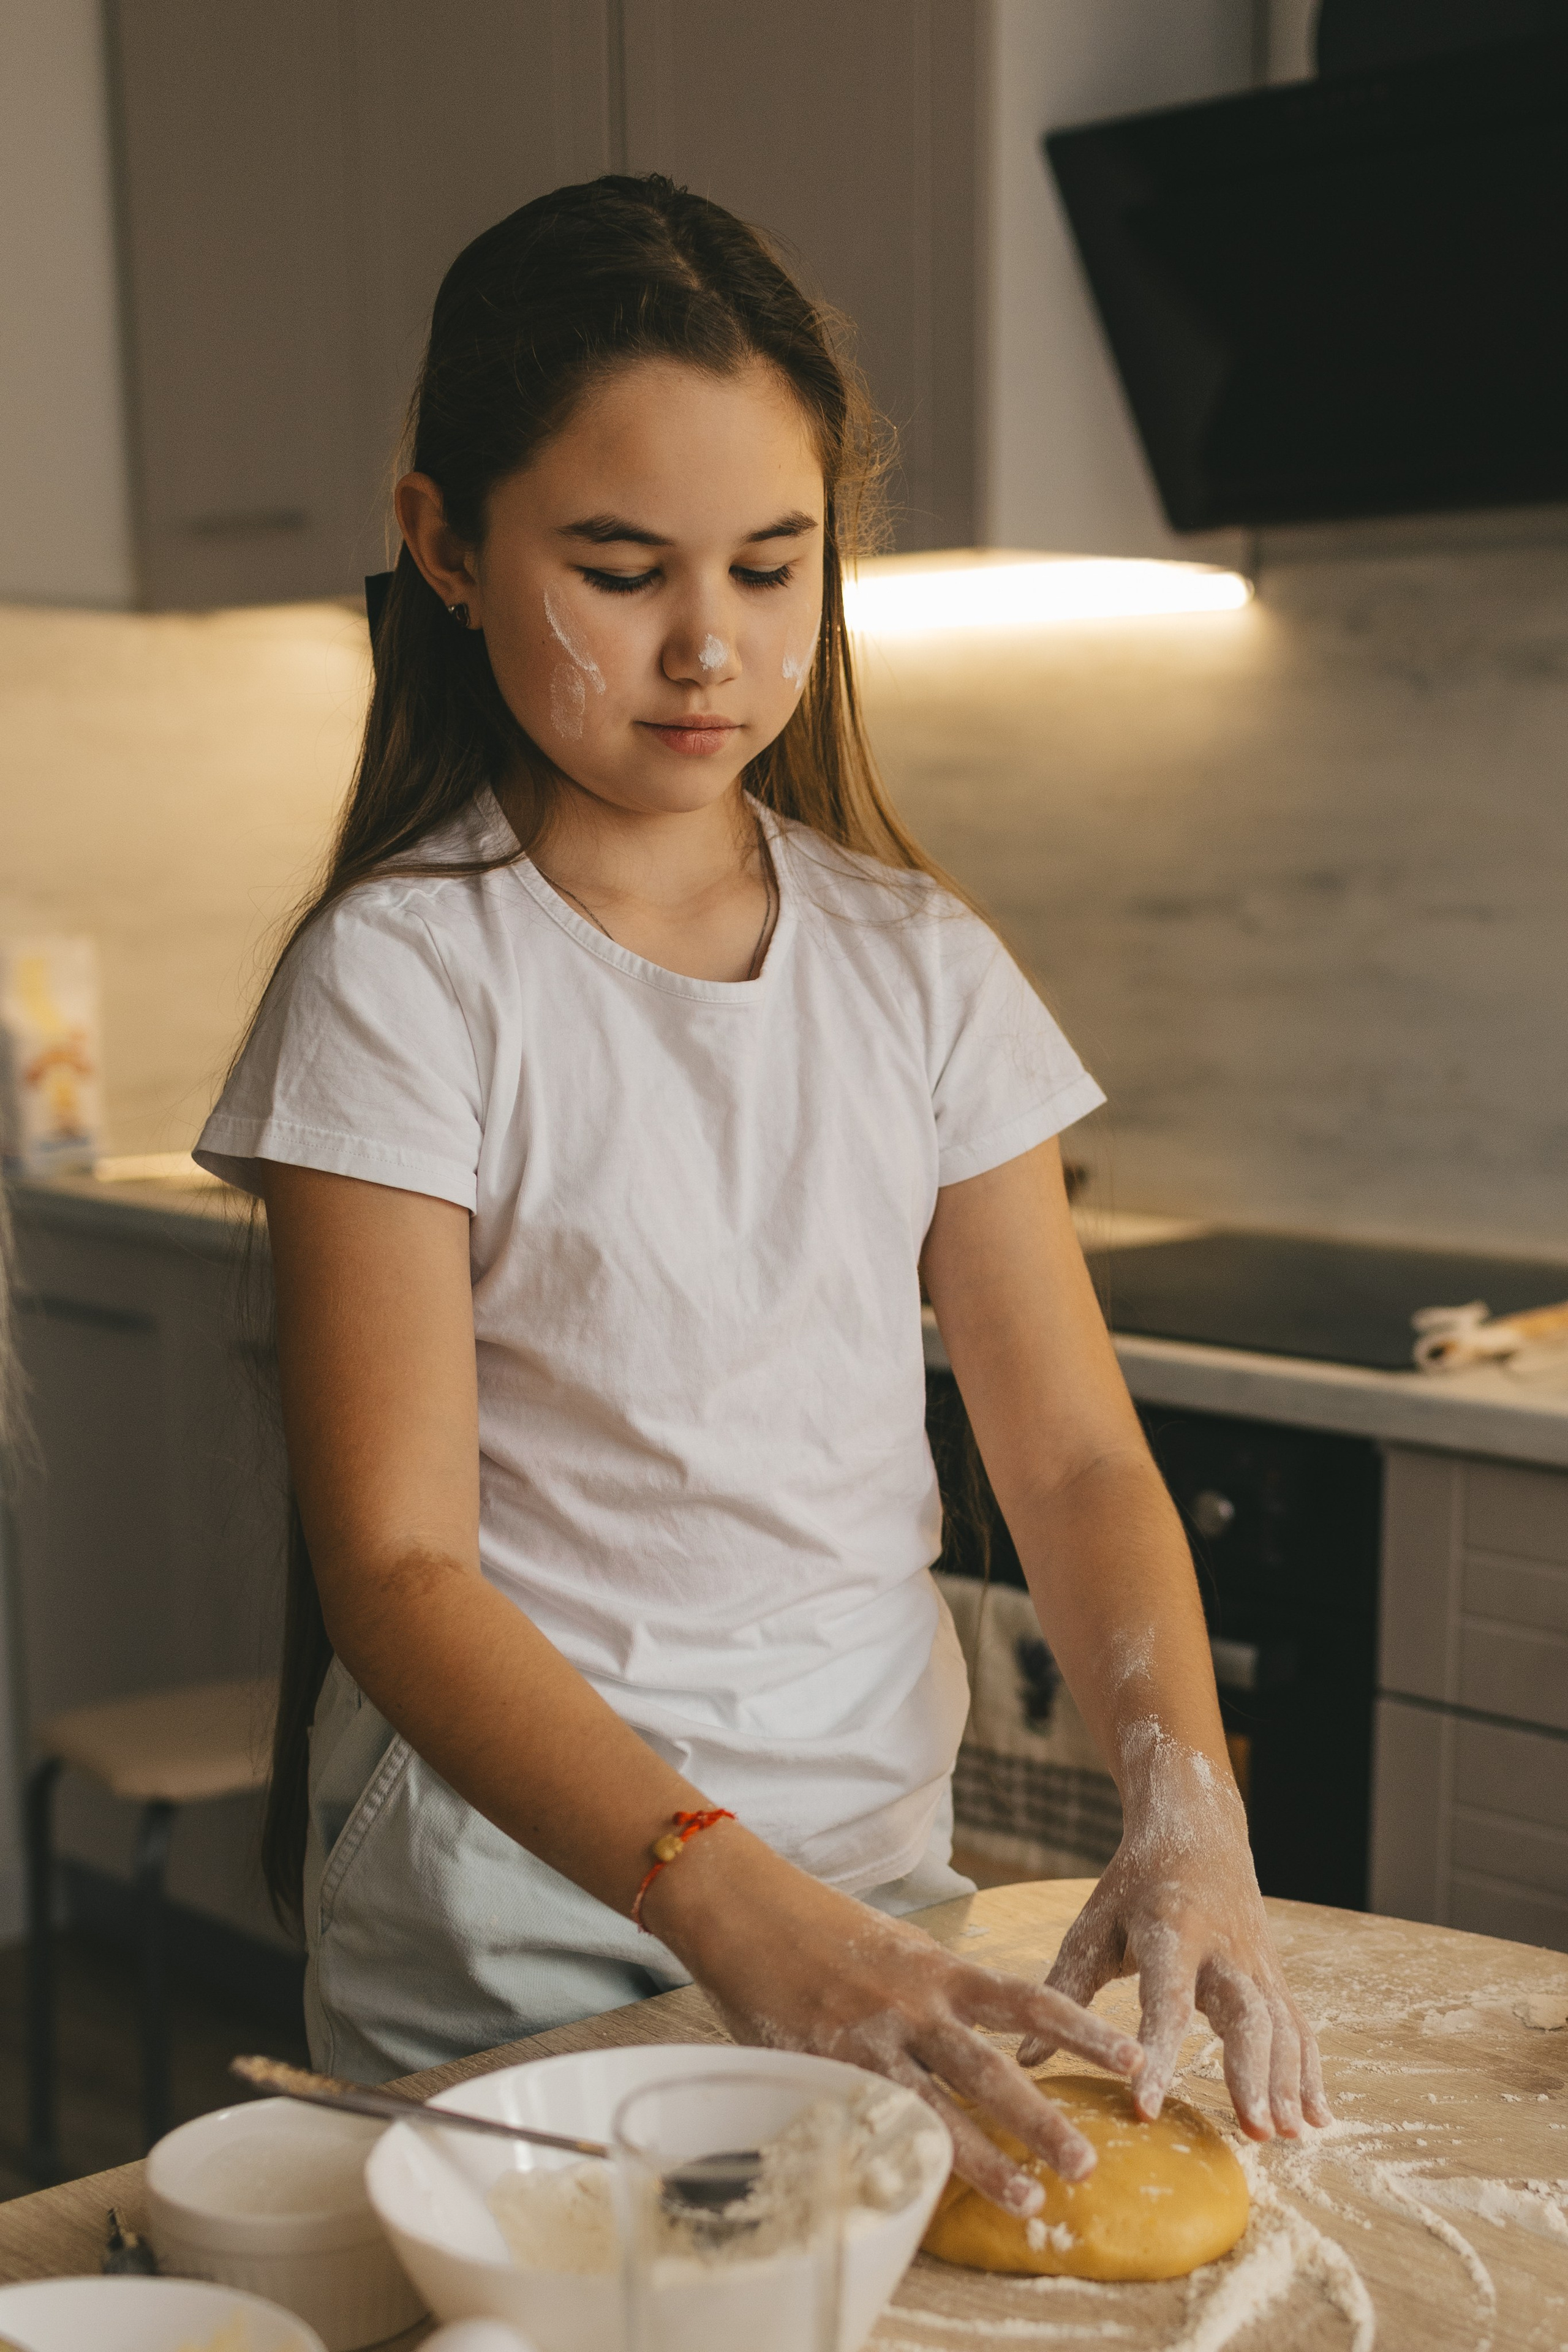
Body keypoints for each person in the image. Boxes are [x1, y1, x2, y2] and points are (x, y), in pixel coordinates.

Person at [196, 174, 1327, 2218]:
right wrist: (731, 1912)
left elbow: (1069, 1459)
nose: (709, 646)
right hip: (509, 1935)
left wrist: (1192, 1813)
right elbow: (401, 1568)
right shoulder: (406, 979)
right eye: (620, 570)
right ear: (443, 542)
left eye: (774, 566)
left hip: (874, 1895)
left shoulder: (919, 968)